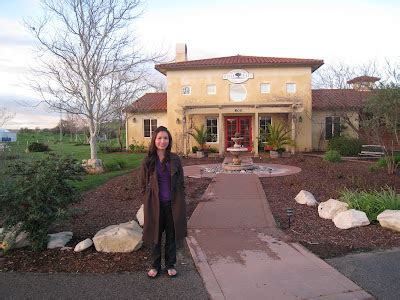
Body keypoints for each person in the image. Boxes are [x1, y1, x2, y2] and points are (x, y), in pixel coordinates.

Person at [140, 126, 187, 278]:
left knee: (172, 236)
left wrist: (181, 200)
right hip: (155, 205)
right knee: (155, 236)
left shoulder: (175, 159)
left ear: (169, 140)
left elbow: (181, 182)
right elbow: (143, 183)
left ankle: (170, 265)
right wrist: (147, 200)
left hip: (173, 204)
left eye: (165, 138)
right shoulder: (148, 161)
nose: (162, 141)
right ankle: (154, 266)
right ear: (154, 140)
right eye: (159, 138)